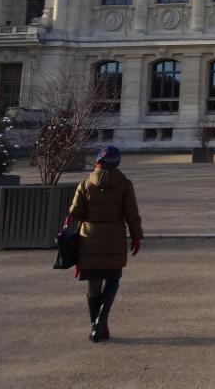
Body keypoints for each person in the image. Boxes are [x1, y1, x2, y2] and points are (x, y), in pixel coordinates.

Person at [65, 145, 143, 343]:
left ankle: (95, 327)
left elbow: (76, 213)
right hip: (114, 237)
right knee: (113, 280)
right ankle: (101, 321)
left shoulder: (85, 184)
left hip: (89, 238)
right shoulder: (125, 184)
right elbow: (131, 215)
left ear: (98, 161)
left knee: (94, 284)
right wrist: (136, 237)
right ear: (117, 162)